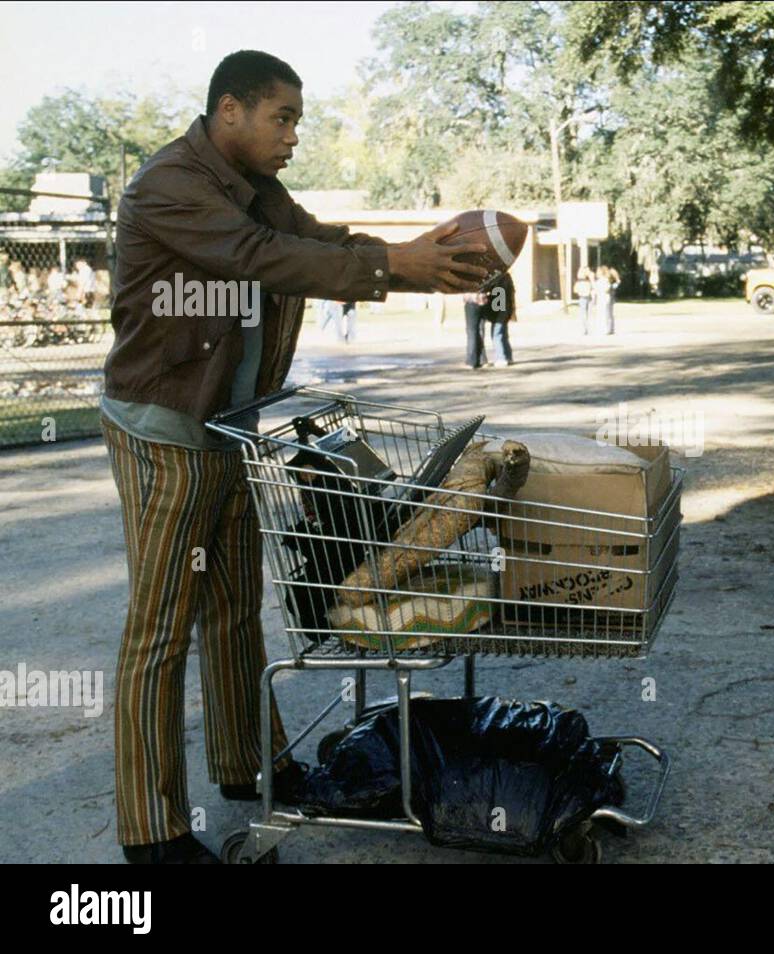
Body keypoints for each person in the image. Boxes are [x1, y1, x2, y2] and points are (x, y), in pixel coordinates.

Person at [98, 49, 487, 864]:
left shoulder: (256, 191)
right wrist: (394, 265)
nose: (293, 137)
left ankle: (250, 767)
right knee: (160, 630)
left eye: (297, 121)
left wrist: (423, 264)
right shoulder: (170, 185)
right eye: (284, 117)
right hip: (166, 430)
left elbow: (315, 242)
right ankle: (151, 833)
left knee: (237, 607)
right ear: (229, 109)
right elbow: (261, 259)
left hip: (232, 426)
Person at [483, 271, 516, 367]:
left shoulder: (498, 282)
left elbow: (498, 302)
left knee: (496, 334)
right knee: (503, 334)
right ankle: (508, 356)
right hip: (505, 309)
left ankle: (501, 358)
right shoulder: (507, 278)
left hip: (500, 311)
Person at [463, 288, 486, 368]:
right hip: (483, 301)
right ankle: (482, 359)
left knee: (471, 331)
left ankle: (471, 360)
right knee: (480, 331)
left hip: (472, 301)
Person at [595, 264, 619, 334]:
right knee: (603, 313)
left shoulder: (604, 280)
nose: (597, 273)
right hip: (602, 298)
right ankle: (605, 328)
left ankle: (605, 329)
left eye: (598, 272)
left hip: (604, 298)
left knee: (604, 314)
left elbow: (606, 289)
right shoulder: (601, 280)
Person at [574, 266, 593, 335]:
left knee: (584, 313)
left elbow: (575, 290)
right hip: (588, 297)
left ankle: (585, 329)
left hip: (583, 297)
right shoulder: (588, 281)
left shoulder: (580, 282)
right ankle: (586, 328)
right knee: (587, 313)